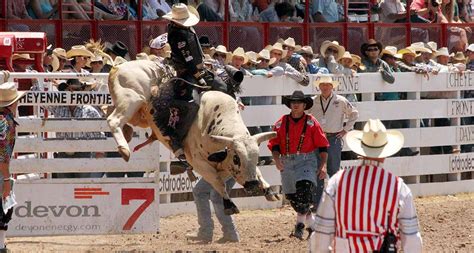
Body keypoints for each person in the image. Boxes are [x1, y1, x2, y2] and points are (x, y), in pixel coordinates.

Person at [309, 119, 423, 253]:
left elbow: (321, 234)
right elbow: (412, 239)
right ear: (385, 153)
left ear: (360, 151)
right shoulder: (398, 188)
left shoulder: (337, 182)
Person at [268, 90, 329, 240]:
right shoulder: (281, 122)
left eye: (299, 102)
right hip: (287, 162)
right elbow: (274, 144)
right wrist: (277, 159)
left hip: (307, 160)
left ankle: (299, 228)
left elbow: (322, 146)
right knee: (294, 199)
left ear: (304, 105)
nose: (295, 105)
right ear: (290, 104)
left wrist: (323, 165)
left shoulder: (312, 122)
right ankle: (313, 227)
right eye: (293, 102)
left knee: (304, 192)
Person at [309, 75, 358, 209]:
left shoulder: (340, 100)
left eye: (327, 85)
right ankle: (317, 202)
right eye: (322, 85)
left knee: (334, 170)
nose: (325, 87)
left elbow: (354, 113)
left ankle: (335, 202)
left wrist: (345, 130)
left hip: (333, 138)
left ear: (332, 87)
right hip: (318, 139)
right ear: (319, 87)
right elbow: (306, 116)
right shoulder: (313, 101)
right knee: (317, 169)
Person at [0, 82, 26, 251]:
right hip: (0, 172)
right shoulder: (6, 123)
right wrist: (7, 179)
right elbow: (2, 155)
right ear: (13, 103)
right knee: (3, 208)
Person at [185, 178, 240, 243]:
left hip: (221, 170)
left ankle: (205, 232)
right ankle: (231, 233)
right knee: (218, 195)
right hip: (233, 171)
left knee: (199, 192)